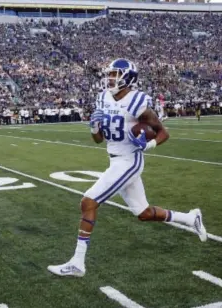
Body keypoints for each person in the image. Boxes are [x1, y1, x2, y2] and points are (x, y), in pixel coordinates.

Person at [47, 59, 207, 278]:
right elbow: (98, 140)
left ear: (128, 77)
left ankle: (77, 262)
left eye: (115, 74)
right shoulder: (102, 98)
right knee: (143, 213)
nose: (110, 78)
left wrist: (148, 144)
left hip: (129, 160)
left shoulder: (137, 101)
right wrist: (94, 127)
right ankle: (190, 218)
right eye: (110, 74)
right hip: (115, 159)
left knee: (88, 201)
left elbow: (163, 132)